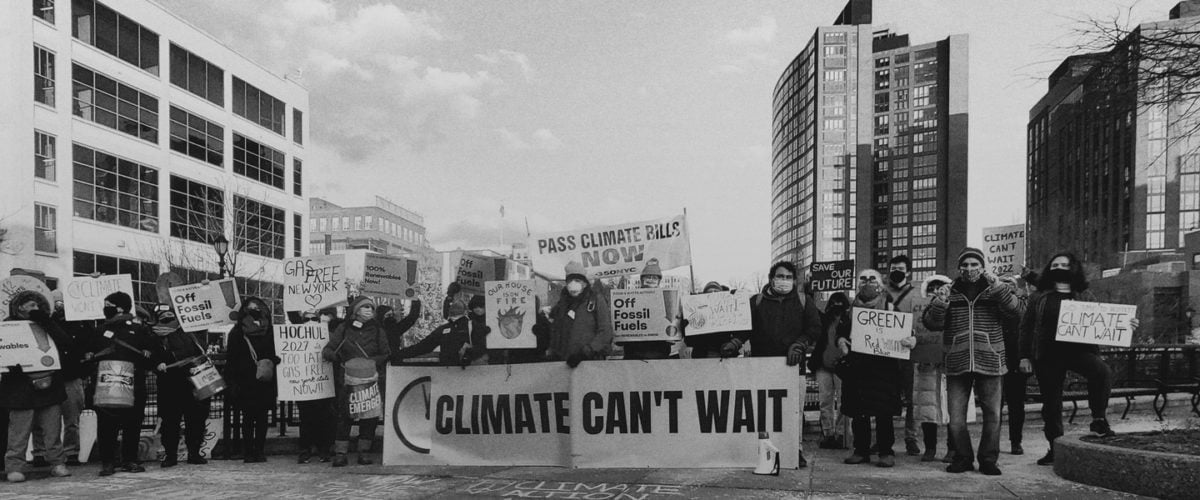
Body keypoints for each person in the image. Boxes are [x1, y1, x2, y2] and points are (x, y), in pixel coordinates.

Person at [1019, 253, 1133, 466]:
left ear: (1074, 268)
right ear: (1048, 269)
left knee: (1101, 372)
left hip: (1078, 351)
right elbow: (1026, 328)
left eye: (1064, 264)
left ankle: (1098, 419)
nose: (1060, 268)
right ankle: (1055, 448)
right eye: (1055, 265)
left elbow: (1102, 321)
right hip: (1048, 355)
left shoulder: (1084, 295)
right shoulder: (1039, 296)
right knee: (1051, 405)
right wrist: (1024, 356)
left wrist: (1126, 324)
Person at [923, 247, 1021, 476]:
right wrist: (940, 303)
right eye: (965, 265)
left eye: (974, 264)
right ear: (959, 267)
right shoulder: (950, 290)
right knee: (955, 417)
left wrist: (998, 288)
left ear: (982, 266)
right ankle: (962, 458)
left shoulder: (994, 288)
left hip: (990, 358)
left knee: (993, 414)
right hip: (957, 360)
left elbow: (1016, 312)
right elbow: (931, 323)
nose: (969, 269)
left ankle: (988, 459)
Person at [729, 261, 821, 467]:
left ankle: (794, 450)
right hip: (762, 368)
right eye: (780, 276)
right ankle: (763, 449)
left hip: (792, 368)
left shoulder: (804, 301)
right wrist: (735, 342)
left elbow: (815, 329)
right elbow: (746, 329)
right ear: (771, 278)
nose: (784, 281)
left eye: (789, 277)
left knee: (793, 412)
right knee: (763, 412)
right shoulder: (757, 302)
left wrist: (800, 344)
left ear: (795, 280)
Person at [836, 281, 915, 467]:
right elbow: (840, 332)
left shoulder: (891, 309)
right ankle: (861, 450)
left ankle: (885, 451)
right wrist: (840, 340)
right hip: (857, 367)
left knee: (884, 413)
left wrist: (911, 340)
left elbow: (907, 331)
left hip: (884, 369)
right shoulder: (850, 312)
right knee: (858, 412)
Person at [83, 292, 160, 476]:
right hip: (107, 386)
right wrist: (88, 356)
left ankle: (130, 460)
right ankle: (108, 461)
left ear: (118, 307)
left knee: (132, 424)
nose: (105, 307)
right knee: (106, 425)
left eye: (107, 304)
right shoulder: (99, 330)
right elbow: (88, 351)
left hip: (134, 385)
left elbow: (153, 353)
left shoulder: (139, 329)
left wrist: (148, 354)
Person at [2, 290, 74, 482]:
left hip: (49, 383)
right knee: (19, 431)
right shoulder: (8, 326)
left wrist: (45, 321)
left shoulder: (47, 323)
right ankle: (14, 467)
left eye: (37, 305)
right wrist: (10, 367)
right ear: (19, 307)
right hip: (20, 387)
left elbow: (65, 342)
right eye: (31, 306)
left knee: (52, 429)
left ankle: (58, 463)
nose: (36, 309)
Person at [323, 295, 390, 467]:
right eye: (365, 307)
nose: (369, 310)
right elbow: (328, 350)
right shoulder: (343, 329)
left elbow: (386, 353)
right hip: (348, 380)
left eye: (371, 308)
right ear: (355, 310)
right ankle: (340, 453)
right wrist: (334, 355)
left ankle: (364, 452)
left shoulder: (378, 330)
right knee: (344, 417)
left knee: (369, 418)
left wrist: (371, 363)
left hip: (370, 380)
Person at [29, 291, 86, 468]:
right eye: (56, 302)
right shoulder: (37, 322)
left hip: (70, 375)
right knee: (41, 417)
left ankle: (71, 452)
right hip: (48, 374)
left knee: (71, 418)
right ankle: (40, 452)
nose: (59, 305)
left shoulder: (79, 323)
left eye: (62, 302)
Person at [151, 307, 212, 467]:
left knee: (196, 420)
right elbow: (149, 356)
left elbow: (201, 350)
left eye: (170, 315)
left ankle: (194, 453)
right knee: (170, 421)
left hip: (193, 381)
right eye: (163, 316)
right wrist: (157, 364)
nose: (168, 318)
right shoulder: (155, 336)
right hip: (170, 384)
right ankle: (171, 455)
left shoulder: (190, 331)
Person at [225, 297, 280, 464]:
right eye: (251, 307)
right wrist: (232, 382)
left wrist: (274, 360)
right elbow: (232, 358)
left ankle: (259, 450)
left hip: (264, 380)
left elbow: (273, 352)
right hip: (246, 380)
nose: (255, 309)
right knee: (248, 418)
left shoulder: (269, 330)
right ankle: (248, 451)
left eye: (257, 307)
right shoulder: (237, 332)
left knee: (262, 418)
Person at [883, 255, 922, 456]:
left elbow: (921, 321)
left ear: (908, 272)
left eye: (899, 268)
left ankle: (911, 438)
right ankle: (884, 439)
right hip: (886, 353)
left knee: (911, 397)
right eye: (893, 268)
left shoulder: (917, 294)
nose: (896, 271)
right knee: (885, 396)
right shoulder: (881, 292)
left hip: (908, 352)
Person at [912, 274, 953, 462]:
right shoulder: (918, 312)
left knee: (954, 409)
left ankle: (953, 448)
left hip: (950, 365)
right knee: (928, 410)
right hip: (926, 365)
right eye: (932, 288)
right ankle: (930, 448)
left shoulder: (956, 310)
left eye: (941, 287)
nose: (936, 291)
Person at [543, 261, 612, 367]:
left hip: (590, 362)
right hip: (564, 363)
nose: (573, 284)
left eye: (577, 280)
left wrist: (585, 353)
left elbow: (605, 332)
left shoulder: (595, 299)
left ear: (584, 283)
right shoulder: (562, 303)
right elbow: (555, 329)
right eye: (570, 281)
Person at [392, 300, 488, 366]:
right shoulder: (474, 326)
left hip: (449, 374)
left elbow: (423, 347)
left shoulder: (444, 329)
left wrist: (397, 355)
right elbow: (423, 347)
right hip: (471, 374)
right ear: (465, 312)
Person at [809, 292, 849, 449]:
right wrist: (809, 292)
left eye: (840, 302)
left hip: (843, 365)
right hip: (823, 366)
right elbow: (811, 310)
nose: (837, 305)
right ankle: (828, 434)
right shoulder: (823, 320)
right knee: (825, 401)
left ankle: (841, 434)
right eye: (834, 302)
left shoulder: (850, 320)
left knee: (843, 402)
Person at [295, 309, 335, 464]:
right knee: (305, 418)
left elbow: (334, 347)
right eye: (307, 319)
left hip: (322, 382)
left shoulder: (326, 334)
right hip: (303, 383)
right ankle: (305, 449)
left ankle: (323, 449)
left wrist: (325, 326)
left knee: (323, 417)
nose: (310, 321)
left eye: (313, 319)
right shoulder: (296, 336)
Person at [999, 274, 1030, 456]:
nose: (1007, 287)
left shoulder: (1023, 305)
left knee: (1016, 405)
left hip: (1016, 362)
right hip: (995, 360)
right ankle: (993, 441)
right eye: (1003, 284)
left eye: (1010, 284)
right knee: (994, 405)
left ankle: (1016, 441)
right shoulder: (993, 306)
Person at [619, 259, 672, 360]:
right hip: (634, 354)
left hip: (659, 354)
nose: (651, 280)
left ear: (659, 281)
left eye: (654, 278)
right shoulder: (629, 299)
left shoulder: (667, 300)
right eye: (648, 277)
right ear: (642, 279)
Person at [684, 281, 739, 359]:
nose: (713, 294)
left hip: (725, 356)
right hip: (702, 356)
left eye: (716, 292)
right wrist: (686, 327)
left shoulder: (728, 312)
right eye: (709, 293)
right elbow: (690, 341)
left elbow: (739, 333)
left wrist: (734, 344)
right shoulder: (696, 314)